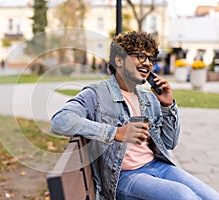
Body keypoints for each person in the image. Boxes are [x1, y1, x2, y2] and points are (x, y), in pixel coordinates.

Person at [51, 31, 219, 200]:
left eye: (151, 59)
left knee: (212, 196)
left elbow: (169, 143)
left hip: (159, 166)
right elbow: (60, 121)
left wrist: (167, 106)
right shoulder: (97, 94)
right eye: (140, 56)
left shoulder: (148, 98)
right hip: (125, 176)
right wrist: (114, 133)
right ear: (119, 60)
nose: (147, 64)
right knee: (185, 197)